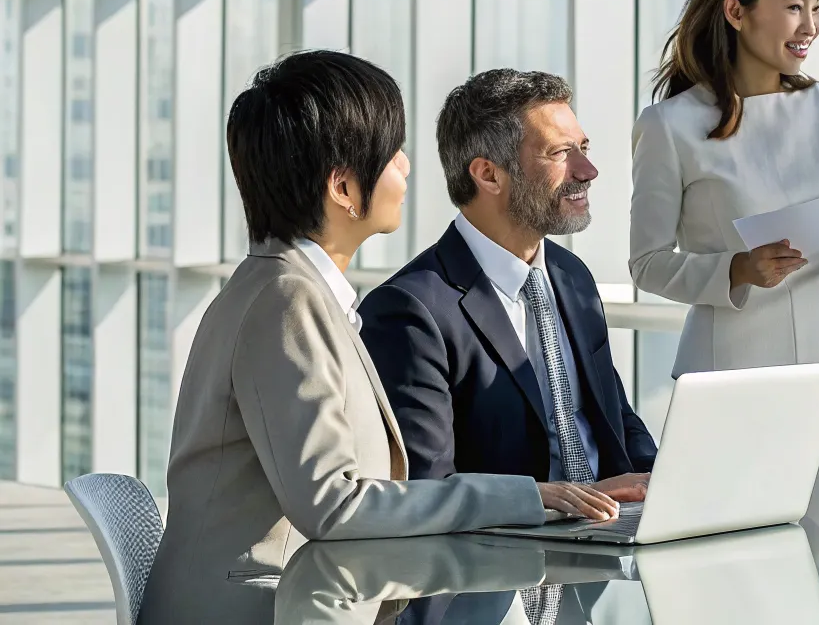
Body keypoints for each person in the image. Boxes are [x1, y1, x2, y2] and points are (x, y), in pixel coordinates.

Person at [141, 51, 615, 625]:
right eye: (392, 152)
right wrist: (530, 497)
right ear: (344, 187)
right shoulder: (286, 299)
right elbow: (334, 503)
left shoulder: (290, 288)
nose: (408, 167)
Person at [629, 0, 819, 544]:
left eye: (817, 7)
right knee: (722, 560)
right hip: (727, 379)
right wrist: (734, 270)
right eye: (793, 7)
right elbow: (647, 263)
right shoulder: (672, 125)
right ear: (736, 10)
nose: (810, 26)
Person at [358, 70, 658, 500]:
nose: (588, 170)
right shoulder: (409, 309)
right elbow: (427, 487)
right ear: (489, 175)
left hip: (610, 536)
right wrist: (559, 501)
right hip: (506, 555)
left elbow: (616, 420)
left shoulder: (572, 277)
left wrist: (662, 482)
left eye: (584, 148)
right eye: (560, 153)